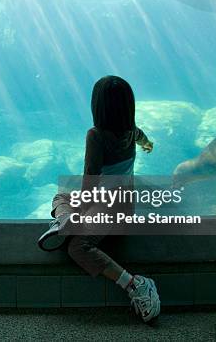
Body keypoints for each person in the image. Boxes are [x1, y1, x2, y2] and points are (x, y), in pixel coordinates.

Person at [38, 75, 161, 323]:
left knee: (77, 246)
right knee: (63, 196)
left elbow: (91, 176)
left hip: (107, 205)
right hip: (125, 205)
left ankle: (135, 284)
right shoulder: (131, 130)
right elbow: (142, 137)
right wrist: (147, 144)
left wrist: (84, 210)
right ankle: (66, 220)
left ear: (98, 106)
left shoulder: (95, 135)